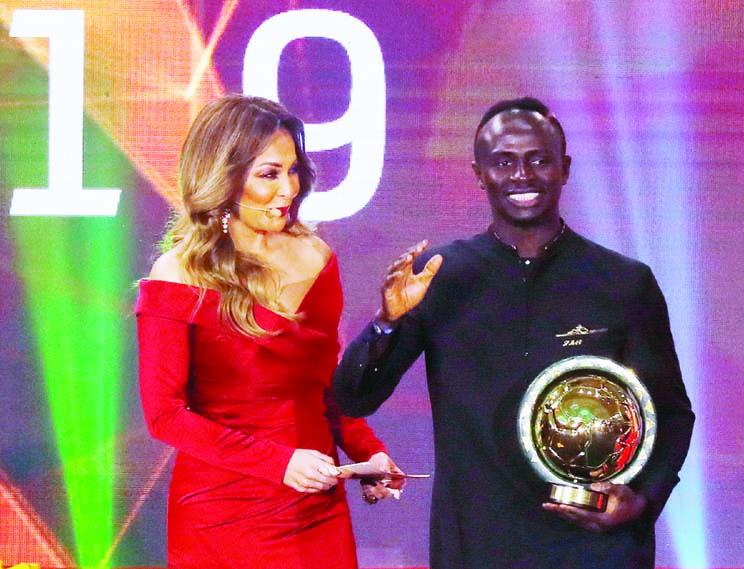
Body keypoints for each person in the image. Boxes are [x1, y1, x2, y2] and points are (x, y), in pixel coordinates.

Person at [333, 97, 695, 568]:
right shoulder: (437, 277)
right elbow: (353, 399)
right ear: (479, 172)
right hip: (479, 545)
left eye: (538, 160)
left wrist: (642, 500)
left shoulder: (623, 282)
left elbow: (670, 415)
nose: (522, 175)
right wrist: (387, 321)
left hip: (596, 547)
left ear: (564, 169)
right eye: (503, 162)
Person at [135, 94, 403, 569]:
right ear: (224, 176)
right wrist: (279, 464)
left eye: (293, 170)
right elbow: (165, 415)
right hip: (221, 516)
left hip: (315, 509)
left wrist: (368, 454)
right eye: (269, 174)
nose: (288, 190)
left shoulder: (316, 257)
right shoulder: (177, 273)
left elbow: (325, 388)